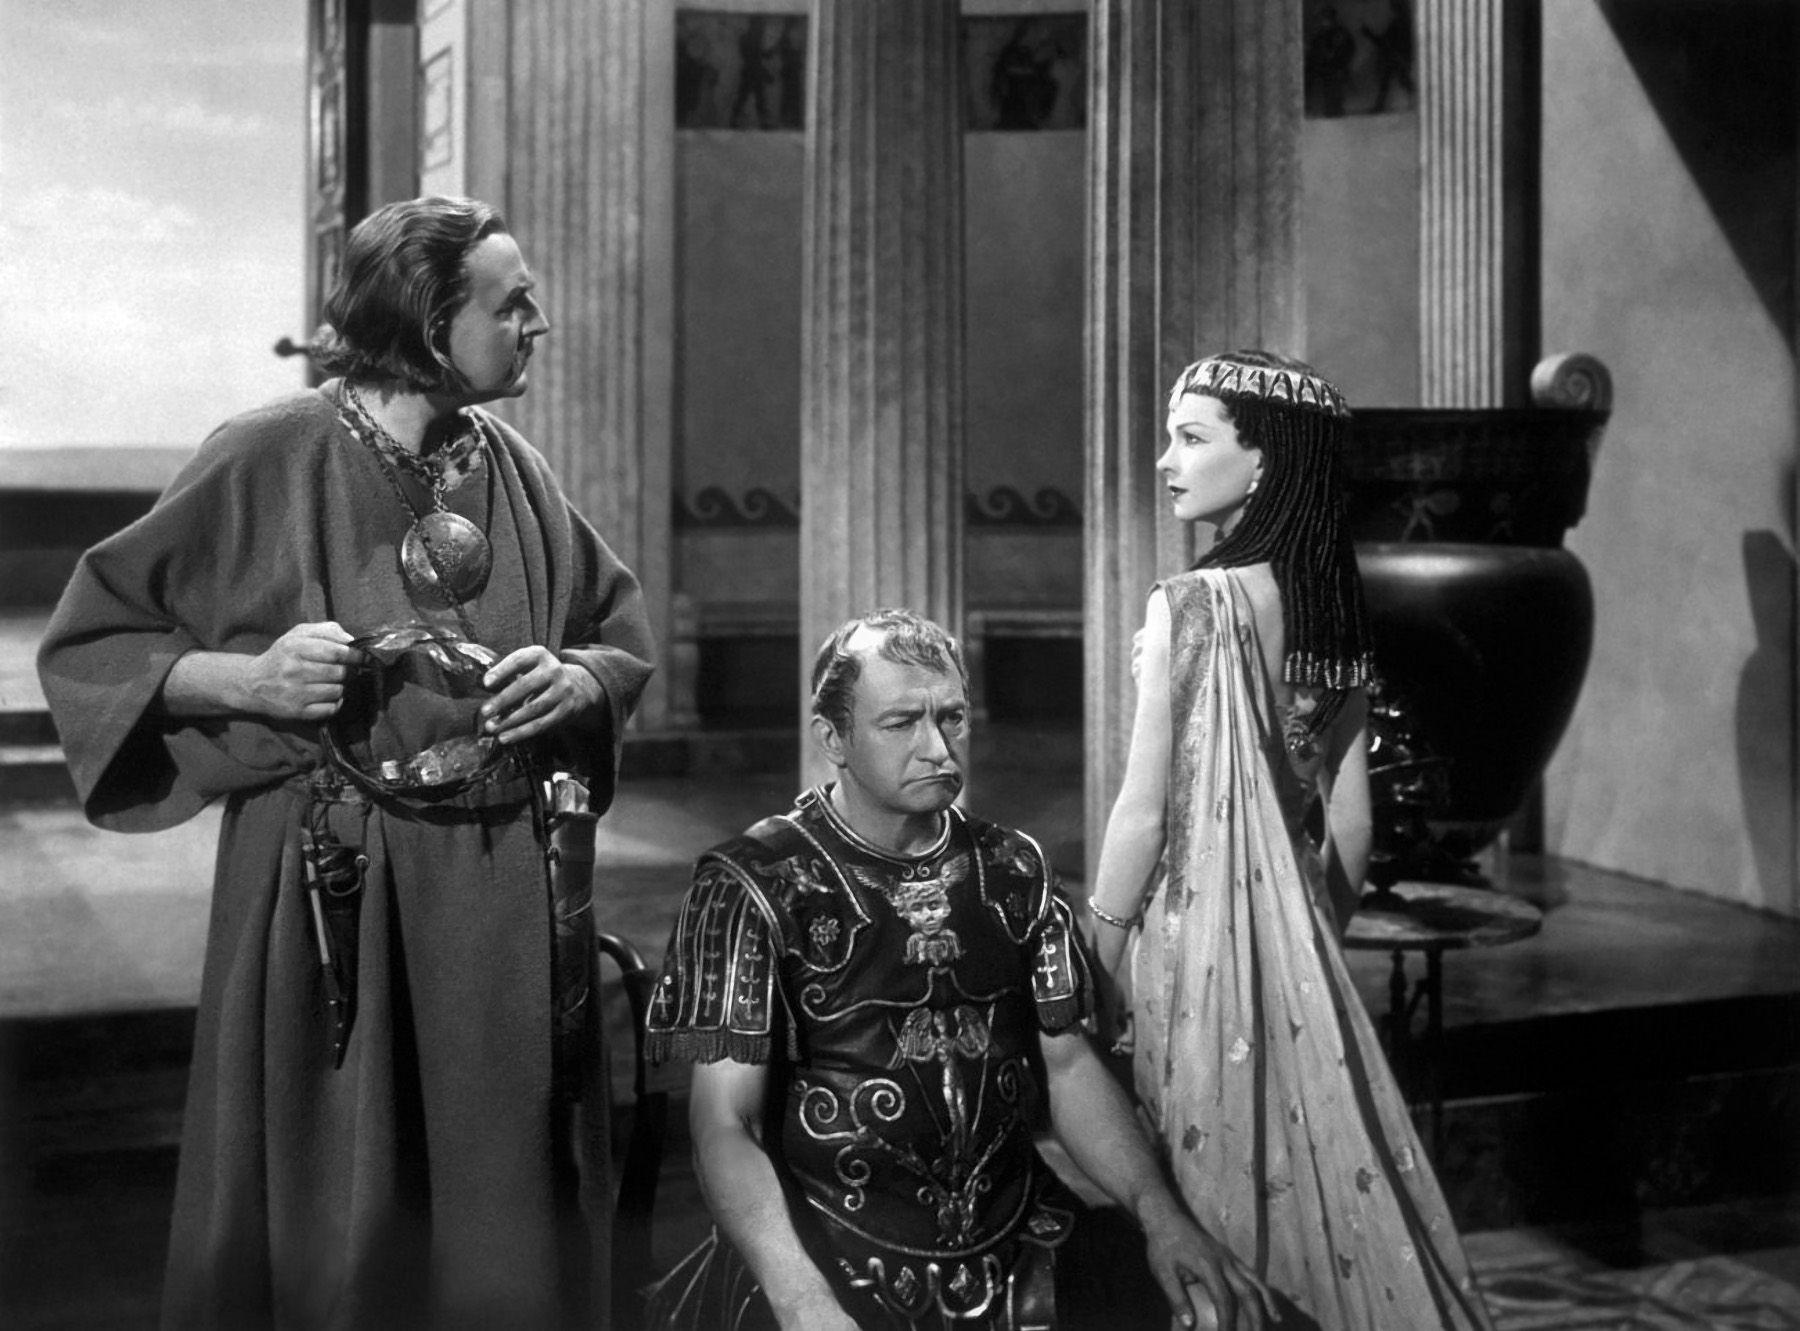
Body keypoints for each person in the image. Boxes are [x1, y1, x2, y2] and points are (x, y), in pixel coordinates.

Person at [36, 195, 655, 1329]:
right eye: (511, 304)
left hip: (494, 893)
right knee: (337, 1206)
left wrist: (579, 680)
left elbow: (614, 634)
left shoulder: (513, 466)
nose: (537, 322)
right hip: (334, 892)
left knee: (496, 1199)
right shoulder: (269, 452)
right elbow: (91, 646)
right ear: (427, 321)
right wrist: (250, 682)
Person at [643, 609, 1274, 1330]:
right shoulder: (753, 883)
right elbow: (725, 1124)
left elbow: (1068, 1067)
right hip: (825, 1256)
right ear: (833, 738)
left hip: (1018, 1246)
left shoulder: (1011, 867)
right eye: (901, 723)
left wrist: (1160, 1214)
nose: (938, 749)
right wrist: (803, 1300)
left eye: (952, 718)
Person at [1086, 350, 1492, 1328]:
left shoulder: (1192, 604)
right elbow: (1351, 819)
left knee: (1207, 1201)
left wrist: (1096, 950)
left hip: (1189, 945)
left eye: (1191, 438)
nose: (1165, 461)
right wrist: (1309, 940)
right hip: (1299, 941)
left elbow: (1145, 811)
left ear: (1266, 459)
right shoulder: (1329, 610)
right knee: (1307, 1186)